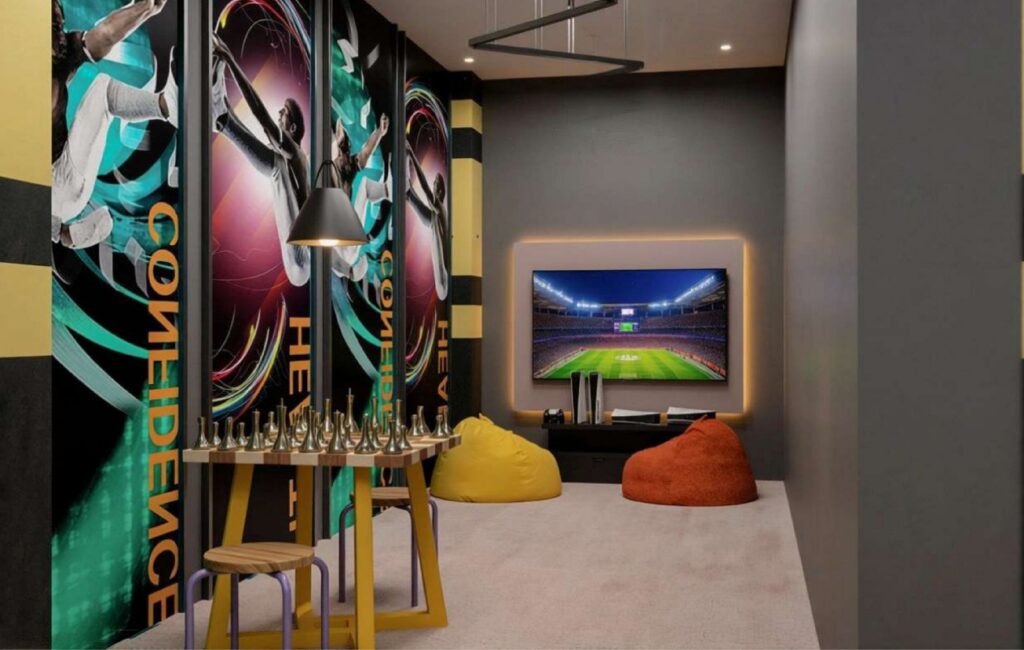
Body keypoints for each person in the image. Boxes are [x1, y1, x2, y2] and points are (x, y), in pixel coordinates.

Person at [52, 0, 177, 249]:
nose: (60, 35)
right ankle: (64, 233)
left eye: (60, 25)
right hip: (47, 198)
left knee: (102, 89)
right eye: (53, 27)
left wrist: (147, 7)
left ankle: (167, 105)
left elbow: (106, 33)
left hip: (64, 182)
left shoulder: (63, 54)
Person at [211, 33, 310, 287]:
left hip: (301, 260)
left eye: (284, 113)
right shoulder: (295, 160)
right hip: (298, 263)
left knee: (277, 165)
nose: (279, 113)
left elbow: (260, 114)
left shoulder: (297, 155)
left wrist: (230, 60)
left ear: (293, 128)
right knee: (276, 161)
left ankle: (222, 117)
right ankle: (222, 115)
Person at [329, 114, 390, 282]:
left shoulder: (347, 166)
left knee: (364, 186)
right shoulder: (330, 169)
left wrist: (380, 132)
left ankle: (388, 189)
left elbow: (366, 152)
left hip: (348, 242)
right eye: (344, 147)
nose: (346, 152)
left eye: (347, 148)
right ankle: (349, 272)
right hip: (340, 247)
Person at [406, 142, 449, 301]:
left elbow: (424, 187)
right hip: (441, 285)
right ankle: (407, 188)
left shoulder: (441, 210)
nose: (433, 184)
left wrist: (412, 155)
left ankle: (407, 189)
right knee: (412, 199)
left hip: (444, 282)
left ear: (440, 191)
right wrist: (409, 193)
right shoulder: (435, 217)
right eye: (434, 182)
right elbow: (421, 210)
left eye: (436, 183)